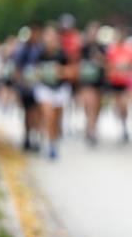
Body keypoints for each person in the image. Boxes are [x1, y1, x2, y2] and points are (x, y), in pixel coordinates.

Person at [33, 25, 73, 160]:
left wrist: (60, 71)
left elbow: (72, 72)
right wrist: (41, 73)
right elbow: (33, 72)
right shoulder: (39, 54)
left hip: (60, 89)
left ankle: (54, 142)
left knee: (56, 119)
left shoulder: (62, 54)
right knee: (48, 115)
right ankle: (49, 143)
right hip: (45, 88)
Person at [77, 22, 106, 146]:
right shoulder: (82, 48)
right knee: (89, 105)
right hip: (86, 82)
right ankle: (90, 129)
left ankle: (92, 127)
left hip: (98, 82)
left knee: (96, 107)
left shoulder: (102, 48)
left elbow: (107, 64)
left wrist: (100, 60)